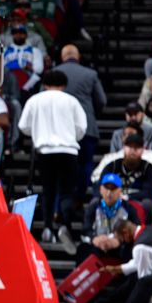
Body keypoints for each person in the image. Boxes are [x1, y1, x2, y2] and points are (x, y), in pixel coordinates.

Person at [18, 70, 87, 254]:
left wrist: (39, 131)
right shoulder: (71, 101)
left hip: (45, 150)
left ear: (45, 83)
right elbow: (82, 128)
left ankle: (47, 227)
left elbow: (23, 126)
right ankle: (64, 224)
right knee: (66, 192)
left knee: (48, 190)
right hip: (68, 150)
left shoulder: (35, 100)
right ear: (64, 84)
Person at [54, 44, 107, 200]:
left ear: (62, 57)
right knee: (85, 164)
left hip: (60, 129)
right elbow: (102, 101)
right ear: (78, 57)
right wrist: (92, 115)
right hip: (87, 127)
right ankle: (79, 197)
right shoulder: (90, 74)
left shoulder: (53, 74)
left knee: (61, 169)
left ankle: (62, 204)